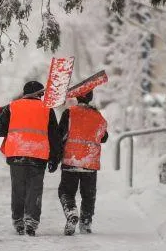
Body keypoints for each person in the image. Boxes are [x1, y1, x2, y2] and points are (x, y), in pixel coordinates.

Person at [0, 81, 61, 236]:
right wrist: (55, 159)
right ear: (40, 94)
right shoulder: (47, 110)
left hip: (17, 153)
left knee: (18, 189)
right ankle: (31, 222)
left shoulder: (12, 106)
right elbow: (54, 136)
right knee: (34, 190)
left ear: (24, 93)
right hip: (38, 155)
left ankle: (18, 221)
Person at [57, 90, 108, 236]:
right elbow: (104, 137)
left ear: (77, 97)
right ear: (90, 98)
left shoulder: (69, 113)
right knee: (88, 195)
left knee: (66, 192)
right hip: (90, 162)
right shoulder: (97, 115)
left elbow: (60, 134)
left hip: (71, 160)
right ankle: (85, 224)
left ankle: (71, 212)